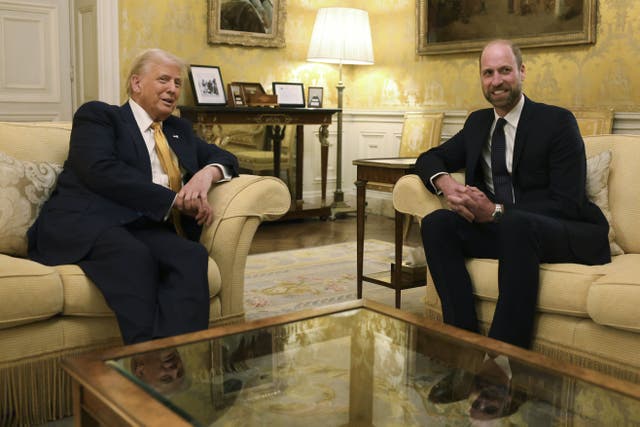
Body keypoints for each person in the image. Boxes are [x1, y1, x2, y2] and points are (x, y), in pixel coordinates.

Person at [415, 39, 610, 418]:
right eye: (488, 73)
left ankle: (505, 371)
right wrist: (446, 184)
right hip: (507, 232)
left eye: (505, 70)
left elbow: (569, 201)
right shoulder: (477, 123)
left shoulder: (556, 121)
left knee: (516, 223)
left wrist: (499, 210)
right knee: (438, 223)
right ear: (482, 80)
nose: (497, 80)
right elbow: (431, 157)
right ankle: (465, 356)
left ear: (522, 72)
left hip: (565, 231)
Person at [27, 49, 239, 345]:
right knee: (134, 257)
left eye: (177, 83)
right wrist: (175, 200)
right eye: (163, 79)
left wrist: (207, 174)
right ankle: (146, 361)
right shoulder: (100, 117)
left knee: (191, 256)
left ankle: (184, 358)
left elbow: (225, 157)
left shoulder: (178, 129)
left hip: (143, 226)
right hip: (89, 222)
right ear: (137, 84)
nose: (173, 89)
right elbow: (100, 171)